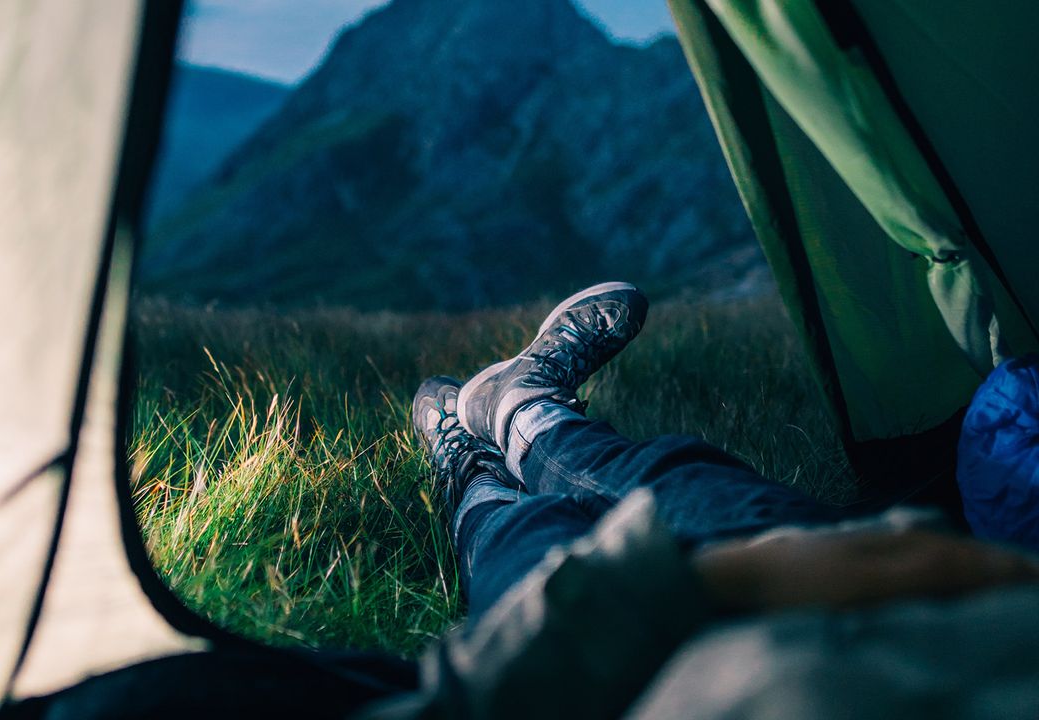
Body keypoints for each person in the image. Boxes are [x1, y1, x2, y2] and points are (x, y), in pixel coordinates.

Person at [365, 282, 1039, 719]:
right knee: (676, 479)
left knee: (524, 540)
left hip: (606, 697)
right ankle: (521, 411)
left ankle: (468, 465)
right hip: (885, 610)